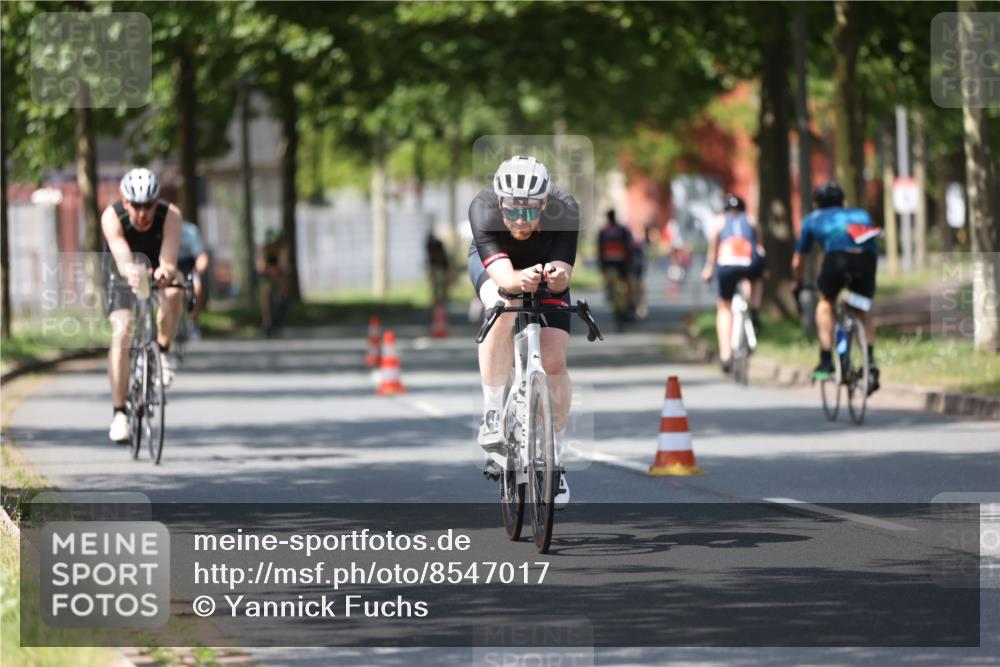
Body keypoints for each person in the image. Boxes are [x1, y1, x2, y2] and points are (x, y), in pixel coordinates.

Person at [468, 155, 578, 509]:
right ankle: (491, 413)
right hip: (498, 267)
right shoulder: (483, 209)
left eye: (530, 211)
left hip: (544, 268)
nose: (519, 219)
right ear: (499, 202)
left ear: (545, 204)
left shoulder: (565, 210)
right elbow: (505, 278)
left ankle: (556, 458)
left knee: (555, 361)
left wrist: (558, 277)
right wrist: (518, 281)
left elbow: (563, 270)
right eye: (511, 210)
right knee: (501, 306)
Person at [102, 168, 184, 443]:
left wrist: (165, 272)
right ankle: (119, 414)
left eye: (148, 205)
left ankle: (161, 350)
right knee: (123, 330)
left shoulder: (170, 215)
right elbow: (123, 258)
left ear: (157, 201)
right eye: (136, 205)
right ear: (126, 202)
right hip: (121, 270)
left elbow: (170, 259)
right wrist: (132, 271)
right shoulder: (112, 216)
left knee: (174, 293)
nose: (143, 212)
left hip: (156, 265)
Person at [792, 182, 880, 394]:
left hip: (837, 259)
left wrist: (797, 281)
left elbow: (799, 260)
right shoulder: (860, 213)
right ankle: (871, 363)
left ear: (817, 204)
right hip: (866, 260)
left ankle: (826, 360)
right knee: (861, 310)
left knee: (825, 303)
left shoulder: (813, 218)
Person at [701, 193, 765, 373]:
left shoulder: (719, 221)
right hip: (750, 263)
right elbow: (759, 248)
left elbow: (713, 249)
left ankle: (725, 355)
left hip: (727, 264)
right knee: (757, 279)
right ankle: (756, 311)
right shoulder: (751, 220)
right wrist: (762, 271)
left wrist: (708, 269)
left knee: (724, 307)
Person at [597, 209, 635, 318]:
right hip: (621, 263)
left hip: (609, 264)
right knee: (625, 284)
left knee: (612, 284)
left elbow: (600, 249)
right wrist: (630, 261)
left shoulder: (604, 232)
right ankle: (628, 303)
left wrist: (601, 265)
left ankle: (612, 297)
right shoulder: (622, 230)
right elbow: (629, 247)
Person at [178, 221, 210, 339]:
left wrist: (197, 271)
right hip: (167, 265)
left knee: (196, 288)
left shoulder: (190, 231)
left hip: (188, 266)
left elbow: (202, 256)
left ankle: (193, 322)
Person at [258, 228, 289, 337]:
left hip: (278, 276)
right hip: (267, 276)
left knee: (280, 297)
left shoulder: (282, 249)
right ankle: (267, 323)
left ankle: (276, 323)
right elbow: (261, 265)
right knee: (265, 298)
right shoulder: (265, 249)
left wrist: (276, 272)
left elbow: (283, 266)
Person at [425, 232, 450, 305]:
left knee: (442, 282)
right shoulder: (429, 245)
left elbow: (442, 256)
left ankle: (443, 298)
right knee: (435, 283)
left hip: (442, 264)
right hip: (434, 264)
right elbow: (430, 256)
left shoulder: (438, 244)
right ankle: (437, 298)